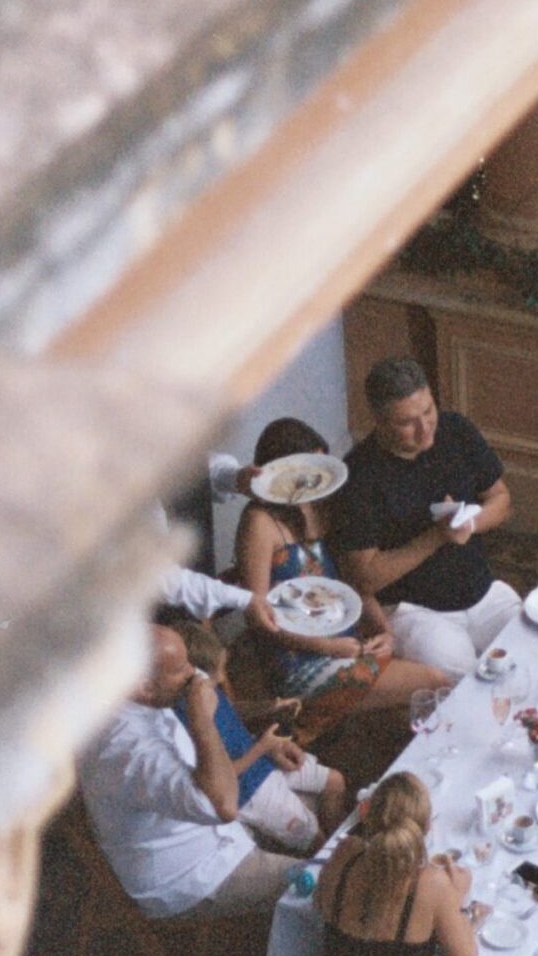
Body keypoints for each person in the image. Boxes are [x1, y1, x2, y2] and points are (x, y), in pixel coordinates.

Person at [234, 416, 452, 748]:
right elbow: (256, 615)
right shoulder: (259, 522)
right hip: (299, 658)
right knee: (434, 682)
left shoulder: (326, 507)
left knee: (423, 685)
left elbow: (354, 581)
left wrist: (384, 631)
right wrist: (327, 647)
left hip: (346, 639)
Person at [78, 623, 314, 918]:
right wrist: (202, 722)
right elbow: (221, 806)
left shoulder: (145, 689)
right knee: (323, 884)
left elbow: (211, 692)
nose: (194, 674)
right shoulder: (124, 751)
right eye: (180, 669)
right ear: (145, 686)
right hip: (194, 874)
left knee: (316, 813)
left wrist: (261, 740)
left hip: (220, 829)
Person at [331, 357, 518, 677]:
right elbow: (365, 578)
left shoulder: (456, 431)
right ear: (378, 420)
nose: (425, 427)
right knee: (465, 681)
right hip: (415, 610)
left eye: (428, 411)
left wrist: (470, 523)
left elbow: (501, 500)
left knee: (533, 652)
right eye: (407, 422)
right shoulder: (359, 476)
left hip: (482, 590)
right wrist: (436, 537)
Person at [314, 774, 485, 956]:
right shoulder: (431, 885)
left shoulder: (344, 855)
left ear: (367, 817)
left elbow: (320, 904)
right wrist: (459, 904)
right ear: (427, 827)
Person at [168, 615, 346, 855]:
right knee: (314, 840)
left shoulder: (203, 691)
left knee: (335, 781)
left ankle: (339, 842)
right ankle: (331, 859)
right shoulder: (183, 723)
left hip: (262, 760)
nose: (221, 678)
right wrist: (261, 747)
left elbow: (230, 710)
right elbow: (216, 782)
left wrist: (271, 706)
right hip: (249, 789)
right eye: (215, 676)